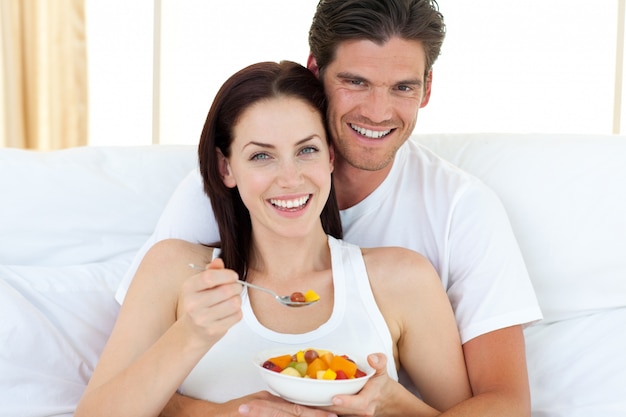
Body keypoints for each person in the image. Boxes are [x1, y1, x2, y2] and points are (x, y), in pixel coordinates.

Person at [116, 1, 542, 416]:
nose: (377, 112)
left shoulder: (454, 216)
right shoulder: (206, 204)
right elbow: (123, 381)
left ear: (427, 88)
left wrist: (393, 405)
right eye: (356, 81)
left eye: (403, 86)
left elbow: (503, 403)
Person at [75, 60, 472, 417]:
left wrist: (396, 405)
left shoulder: (402, 279)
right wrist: (194, 344)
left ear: (331, 157)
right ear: (226, 167)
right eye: (261, 156)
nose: (290, 178)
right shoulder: (179, 271)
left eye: (307, 150)